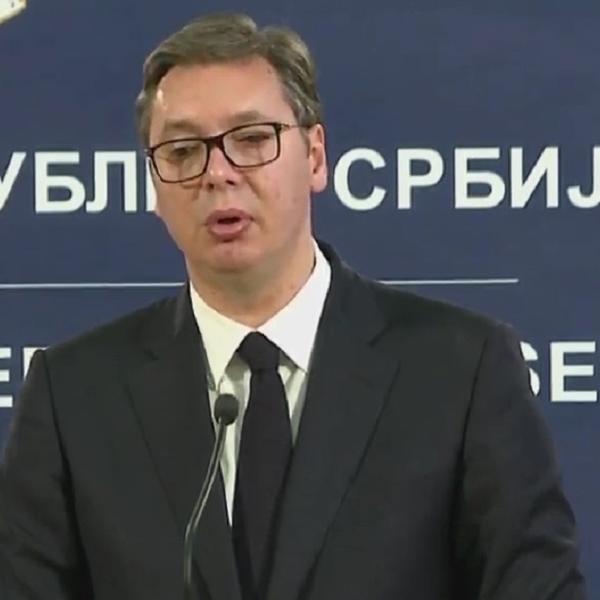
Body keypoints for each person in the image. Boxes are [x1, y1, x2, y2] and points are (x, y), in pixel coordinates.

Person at [0, 12, 587, 600]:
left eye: (252, 140)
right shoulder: (72, 397)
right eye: (182, 150)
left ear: (315, 157)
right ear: (154, 183)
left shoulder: (461, 371)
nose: (218, 173)